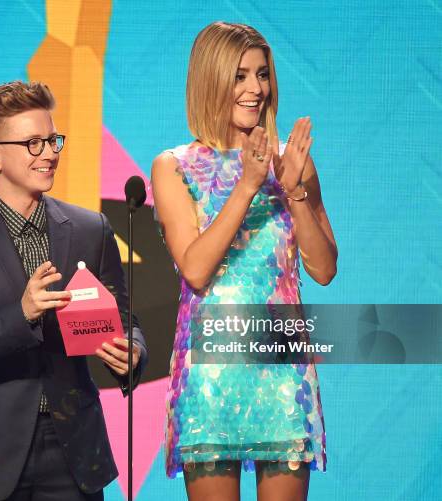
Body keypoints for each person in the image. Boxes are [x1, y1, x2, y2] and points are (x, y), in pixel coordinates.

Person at [0, 81, 147, 501]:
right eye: (32, 143)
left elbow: (125, 319)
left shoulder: (89, 229)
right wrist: (21, 313)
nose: (49, 153)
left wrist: (132, 350)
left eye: (52, 140)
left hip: (74, 448)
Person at [151, 22, 337, 501]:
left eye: (262, 74)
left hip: (282, 368)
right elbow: (195, 269)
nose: (256, 89)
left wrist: (293, 189)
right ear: (211, 79)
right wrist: (249, 184)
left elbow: (323, 269)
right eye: (240, 76)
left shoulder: (289, 161)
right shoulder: (173, 166)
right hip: (211, 373)